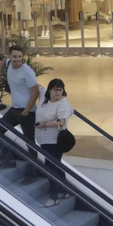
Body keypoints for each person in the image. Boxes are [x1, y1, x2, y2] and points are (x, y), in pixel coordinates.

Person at [0, 44, 41, 169]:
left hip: (27, 112)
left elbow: (36, 92)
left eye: (19, 57)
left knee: (30, 143)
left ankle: (33, 171)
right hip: (14, 109)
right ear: (10, 56)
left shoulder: (27, 72)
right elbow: (5, 58)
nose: (17, 59)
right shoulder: (9, 62)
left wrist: (26, 111)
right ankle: (9, 161)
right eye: (14, 57)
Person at [33, 78, 74, 206]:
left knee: (51, 167)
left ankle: (54, 197)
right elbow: (35, 84)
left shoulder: (63, 104)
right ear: (50, 90)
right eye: (56, 90)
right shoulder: (43, 96)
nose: (58, 92)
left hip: (54, 141)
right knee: (56, 165)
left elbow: (61, 122)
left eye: (60, 90)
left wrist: (44, 124)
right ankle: (63, 190)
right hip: (43, 140)